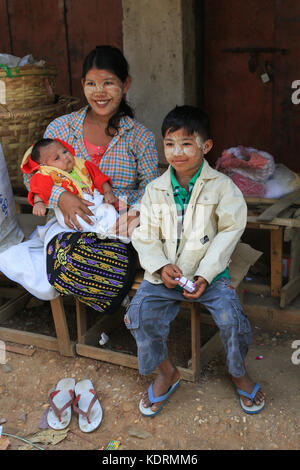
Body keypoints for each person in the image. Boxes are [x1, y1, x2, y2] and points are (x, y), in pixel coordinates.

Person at [125, 105, 266, 416]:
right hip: (164, 272)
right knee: (138, 317)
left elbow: (230, 231)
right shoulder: (154, 189)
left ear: (206, 146)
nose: (177, 152)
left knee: (231, 320)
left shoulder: (222, 187)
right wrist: (160, 266)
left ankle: (238, 371)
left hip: (209, 273)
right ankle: (166, 373)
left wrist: (206, 272)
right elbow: (143, 232)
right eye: (170, 143)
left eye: (187, 144)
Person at [22, 45, 159, 313]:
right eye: (92, 83)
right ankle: (123, 301)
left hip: (118, 223)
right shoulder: (60, 128)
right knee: (73, 254)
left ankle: (122, 298)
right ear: (83, 84)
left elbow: (152, 189)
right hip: (71, 229)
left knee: (146, 240)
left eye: (109, 83)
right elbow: (33, 177)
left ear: (125, 84)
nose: (100, 91)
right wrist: (61, 197)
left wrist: (134, 212)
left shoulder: (139, 136)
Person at [21, 138, 128, 241]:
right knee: (77, 220)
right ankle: (95, 233)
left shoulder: (81, 164)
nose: (65, 157)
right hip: (69, 211)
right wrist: (38, 202)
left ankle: (116, 233)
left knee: (108, 209)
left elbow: (99, 177)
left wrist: (108, 192)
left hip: (94, 202)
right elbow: (40, 189)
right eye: (57, 158)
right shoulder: (46, 173)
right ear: (44, 165)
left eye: (64, 151)